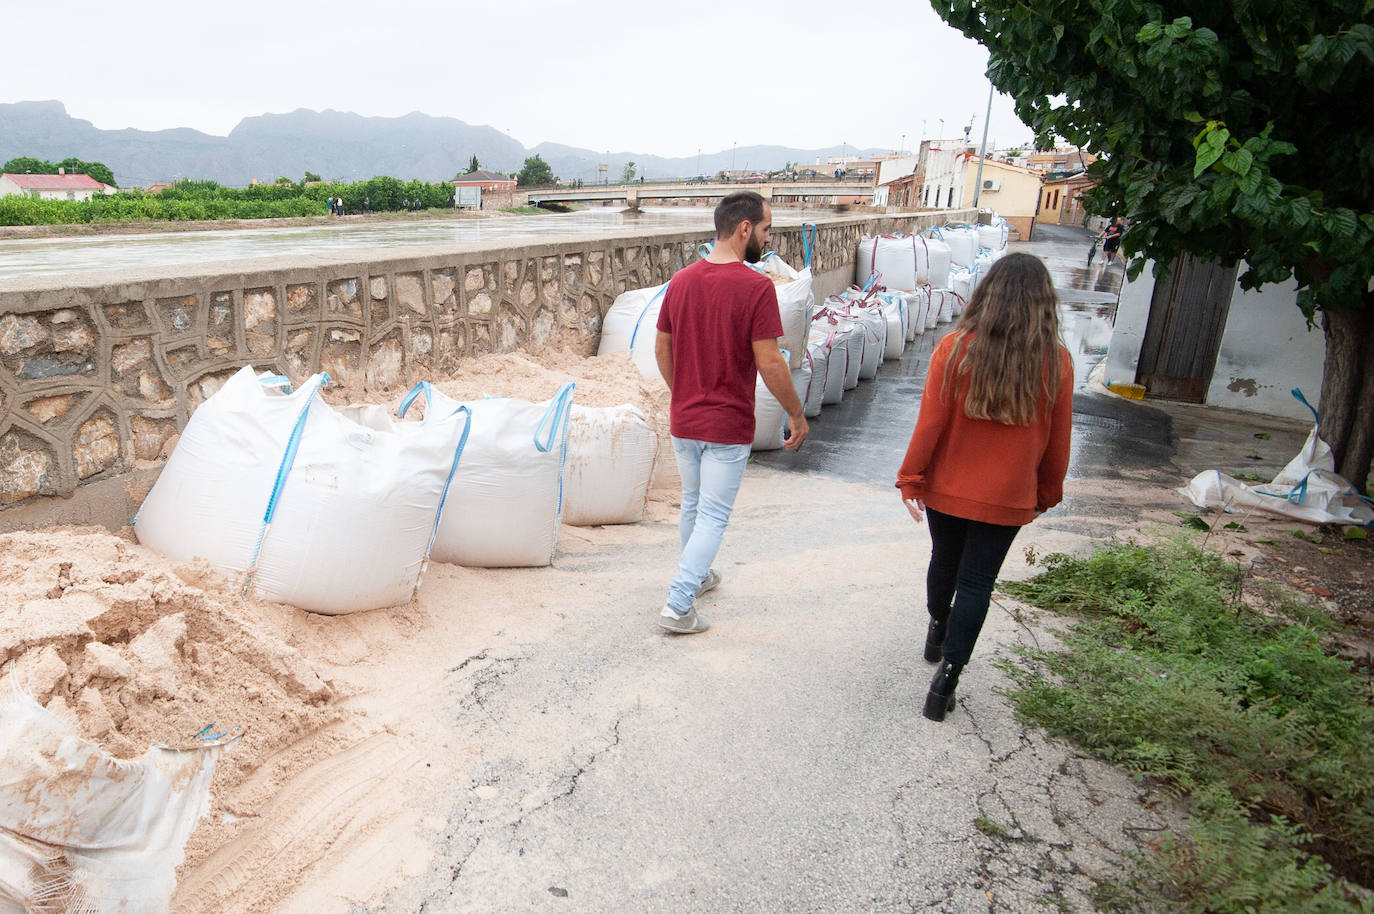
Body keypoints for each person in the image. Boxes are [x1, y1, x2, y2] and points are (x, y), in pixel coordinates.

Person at [895, 252, 1073, 721]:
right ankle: (945, 682)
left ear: (986, 295)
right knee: (977, 582)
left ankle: (937, 627)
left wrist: (912, 477)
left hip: (949, 487)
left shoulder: (953, 348)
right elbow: (1059, 435)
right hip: (1009, 495)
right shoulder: (1056, 361)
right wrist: (1047, 493)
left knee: (944, 561)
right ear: (1044, 303)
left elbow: (929, 423)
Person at [653, 191, 808, 634]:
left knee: (693, 505)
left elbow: (662, 347)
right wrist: (795, 414)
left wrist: (682, 390)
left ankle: (698, 577)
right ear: (744, 229)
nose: (767, 238)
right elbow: (771, 361)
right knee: (714, 515)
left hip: (685, 419)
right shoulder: (756, 287)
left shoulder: (681, 281)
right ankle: (679, 604)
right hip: (726, 425)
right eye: (765, 230)